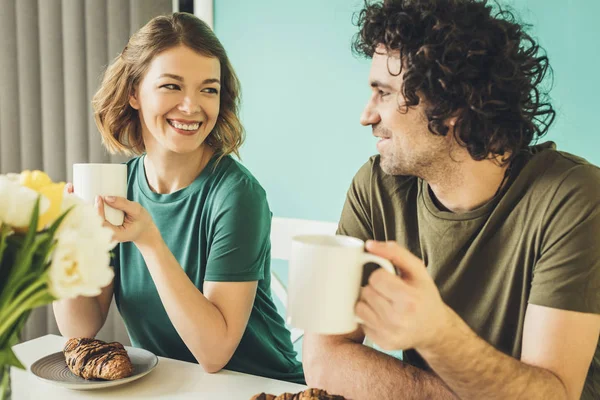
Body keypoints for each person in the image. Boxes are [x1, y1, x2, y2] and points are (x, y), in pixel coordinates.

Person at [303, 0, 600, 399]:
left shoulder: (574, 197)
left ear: (451, 105)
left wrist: (435, 332)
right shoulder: (376, 187)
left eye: (385, 94)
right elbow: (323, 359)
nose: (366, 115)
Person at [53, 12, 304, 384]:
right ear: (134, 93)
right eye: (172, 86)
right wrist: (65, 242)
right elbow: (80, 326)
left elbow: (215, 353)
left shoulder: (237, 196)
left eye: (208, 89)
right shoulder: (121, 189)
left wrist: (149, 241)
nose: (192, 106)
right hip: (174, 387)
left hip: (260, 387)